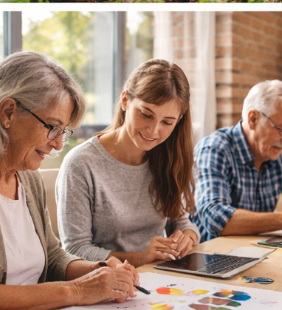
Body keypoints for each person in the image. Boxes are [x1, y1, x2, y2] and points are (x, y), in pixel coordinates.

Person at [0, 51, 139, 310]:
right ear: (8, 112)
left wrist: (101, 271)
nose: (57, 143)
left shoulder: (27, 177)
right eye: (52, 127)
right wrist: (77, 291)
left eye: (64, 132)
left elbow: (52, 257)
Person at [57, 59, 200, 266]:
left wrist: (188, 236)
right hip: (106, 282)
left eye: (167, 122)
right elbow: (75, 249)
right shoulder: (81, 164)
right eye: (145, 114)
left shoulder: (169, 157)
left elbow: (181, 222)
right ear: (125, 100)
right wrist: (140, 258)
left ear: (178, 121)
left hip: (158, 276)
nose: (153, 130)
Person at [192, 80, 282, 242]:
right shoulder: (215, 148)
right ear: (253, 119)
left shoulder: (275, 154)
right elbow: (215, 218)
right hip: (210, 258)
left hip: (254, 253)